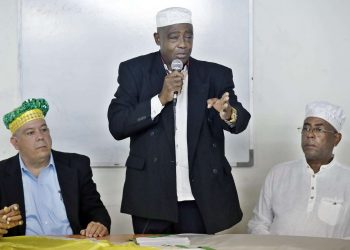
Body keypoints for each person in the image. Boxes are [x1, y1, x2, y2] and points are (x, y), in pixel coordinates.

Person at [107, 7, 250, 234]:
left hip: (198, 195)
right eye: (174, 37)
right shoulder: (134, 71)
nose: (183, 44)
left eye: (189, 36)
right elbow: (117, 124)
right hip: (151, 195)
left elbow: (240, 120)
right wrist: (160, 99)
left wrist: (228, 113)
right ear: (158, 39)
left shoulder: (215, 74)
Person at [0, 98, 111, 237]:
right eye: (30, 133)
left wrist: (99, 224)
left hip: (70, 245)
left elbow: (97, 211)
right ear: (15, 143)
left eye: (44, 129)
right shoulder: (2, 173)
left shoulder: (76, 165)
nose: (40, 136)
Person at [248, 101, 350, 238]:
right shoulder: (278, 173)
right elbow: (258, 224)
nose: (310, 135)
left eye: (319, 130)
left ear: (336, 139)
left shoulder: (347, 179)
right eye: (306, 129)